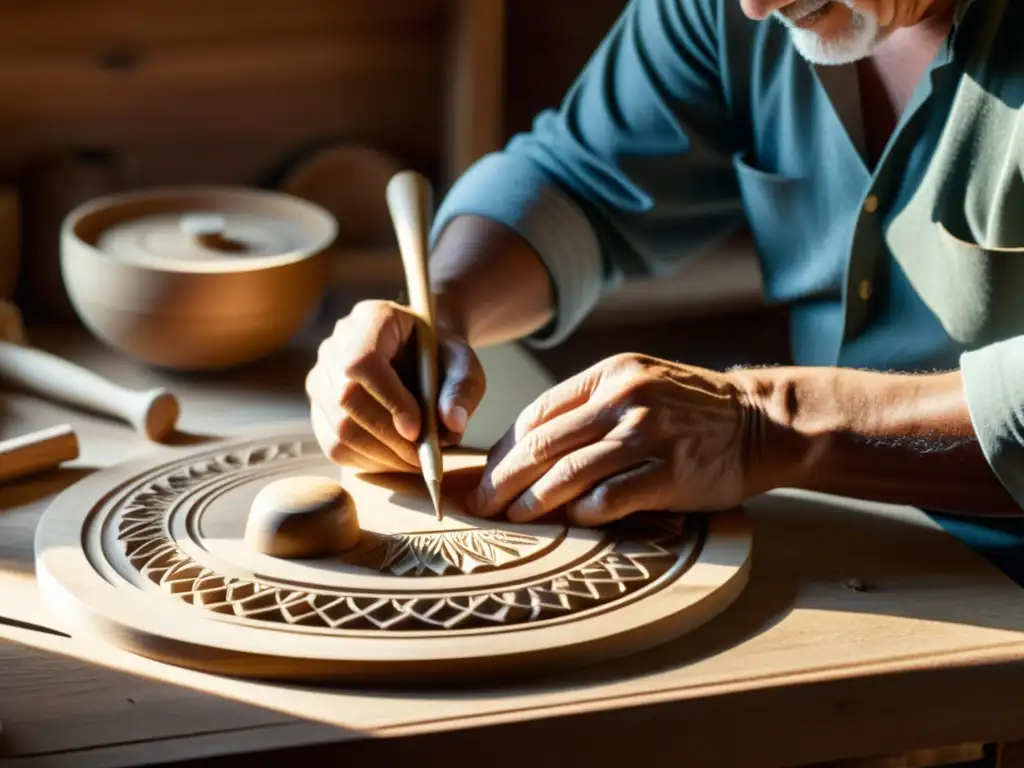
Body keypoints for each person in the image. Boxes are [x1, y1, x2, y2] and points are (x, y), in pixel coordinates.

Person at [306, 0, 1024, 533]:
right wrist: (439, 314)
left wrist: (770, 424)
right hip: (851, 532)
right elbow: (578, 181)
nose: (753, 7)